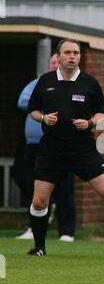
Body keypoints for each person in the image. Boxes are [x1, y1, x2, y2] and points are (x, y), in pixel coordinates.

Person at [27, 38, 104, 256]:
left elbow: (101, 114)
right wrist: (43, 119)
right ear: (58, 57)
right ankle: (39, 247)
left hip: (83, 149)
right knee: (39, 201)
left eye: (76, 53)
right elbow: (33, 110)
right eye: (68, 52)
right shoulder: (45, 81)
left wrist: (89, 123)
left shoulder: (89, 82)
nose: (72, 56)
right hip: (51, 150)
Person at [16, 54, 76, 242]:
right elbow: (23, 101)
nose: (55, 65)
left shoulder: (73, 83)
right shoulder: (39, 82)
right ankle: (34, 228)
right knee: (29, 184)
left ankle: (66, 232)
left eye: (58, 62)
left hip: (60, 145)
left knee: (64, 188)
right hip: (33, 146)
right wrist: (47, 104)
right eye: (52, 62)